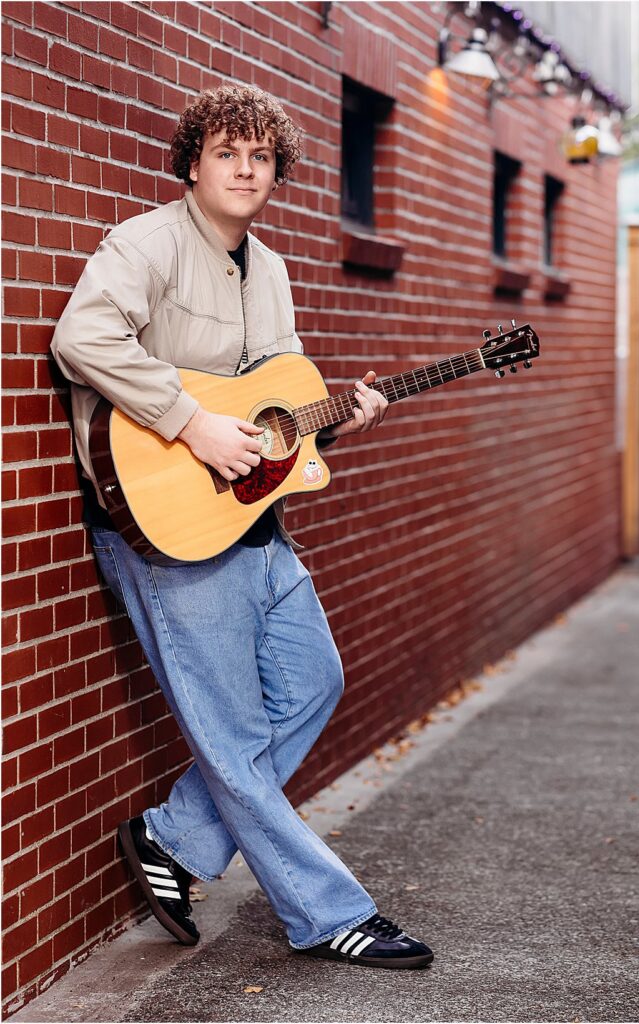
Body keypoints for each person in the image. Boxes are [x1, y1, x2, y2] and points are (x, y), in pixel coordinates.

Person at [50, 84, 433, 968]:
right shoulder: (146, 244)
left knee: (311, 683)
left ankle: (175, 838)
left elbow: (276, 407)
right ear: (193, 162)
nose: (244, 169)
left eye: (261, 157)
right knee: (229, 735)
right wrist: (189, 420)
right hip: (169, 533)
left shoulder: (272, 268)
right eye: (227, 153)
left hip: (257, 528)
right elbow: (83, 340)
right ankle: (326, 912)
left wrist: (335, 417)